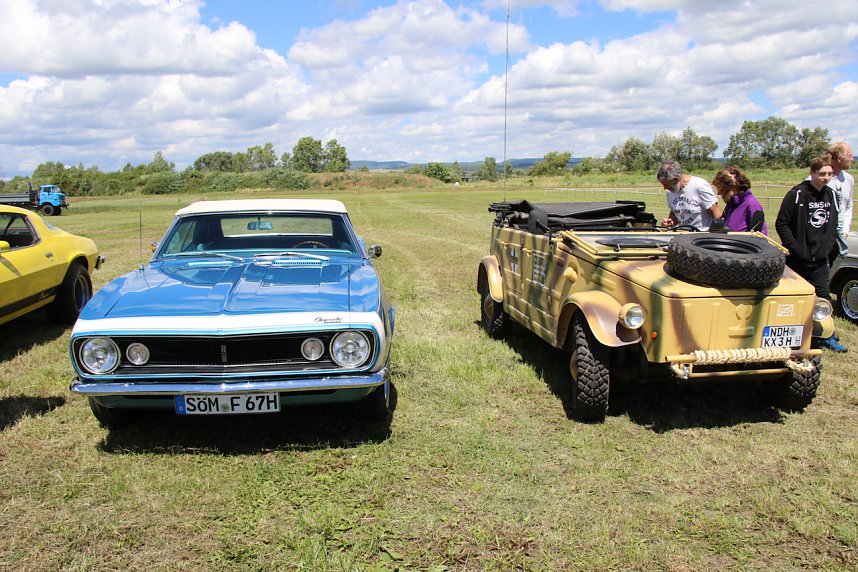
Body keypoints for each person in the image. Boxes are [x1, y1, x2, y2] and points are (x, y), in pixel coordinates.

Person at [776, 155, 846, 352]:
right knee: (792, 299)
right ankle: (790, 336)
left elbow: (833, 223)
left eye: (829, 174)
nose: (826, 178)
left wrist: (828, 246)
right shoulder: (796, 194)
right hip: (797, 259)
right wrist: (795, 247)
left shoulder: (831, 195)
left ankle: (827, 336)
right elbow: (781, 223)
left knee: (823, 297)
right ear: (812, 173)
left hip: (820, 259)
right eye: (822, 174)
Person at [656, 160, 721, 230]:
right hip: (682, 236)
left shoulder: (700, 186)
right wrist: (670, 222)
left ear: (675, 180)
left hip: (701, 237)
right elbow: (675, 213)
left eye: (666, 185)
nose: (665, 188)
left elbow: (717, 215)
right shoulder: (670, 191)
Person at [711, 166, 768, 234]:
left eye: (722, 190)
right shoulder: (731, 204)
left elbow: (760, 236)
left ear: (734, 188)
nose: (719, 193)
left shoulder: (752, 205)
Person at [828, 141, 854, 245]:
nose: (852, 159)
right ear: (839, 159)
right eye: (850, 156)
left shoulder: (849, 179)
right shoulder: (819, 179)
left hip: (839, 237)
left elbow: (848, 206)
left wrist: (845, 230)